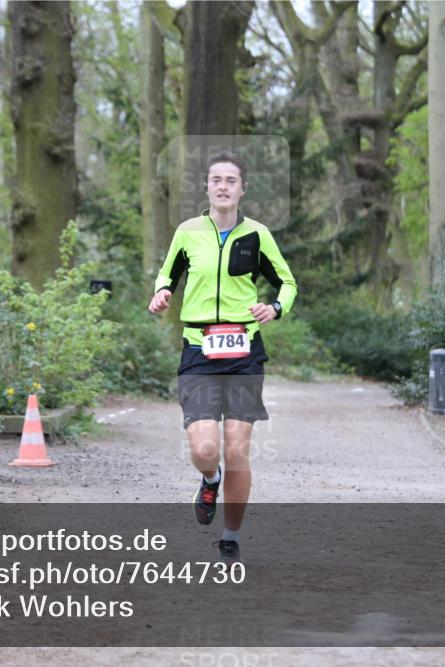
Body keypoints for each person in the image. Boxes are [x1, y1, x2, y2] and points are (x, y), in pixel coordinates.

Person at [147, 151, 297, 565]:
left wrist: (276, 308)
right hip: (198, 348)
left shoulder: (258, 235)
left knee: (236, 449)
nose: (223, 186)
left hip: (244, 351)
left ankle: (230, 537)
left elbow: (287, 282)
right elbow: (167, 274)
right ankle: (208, 479)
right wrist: (162, 293)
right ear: (208, 187)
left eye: (231, 180)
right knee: (206, 449)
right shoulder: (188, 232)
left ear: (242, 188)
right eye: (216, 179)